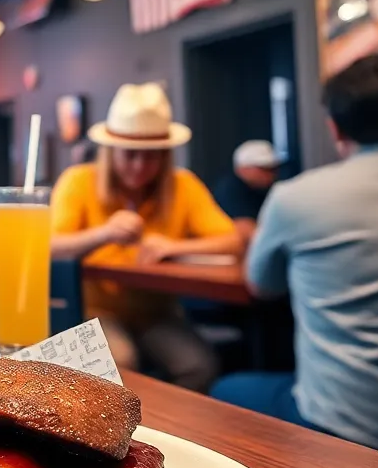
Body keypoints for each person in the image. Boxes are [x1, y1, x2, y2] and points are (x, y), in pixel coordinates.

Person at [212, 53, 378, 455]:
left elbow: (261, 285)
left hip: (345, 429)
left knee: (223, 388)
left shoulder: (296, 197)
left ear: (336, 129)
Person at [50, 83, 242, 392]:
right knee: (121, 363)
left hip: (159, 313)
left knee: (200, 366)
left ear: (165, 157)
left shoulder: (183, 184)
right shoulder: (78, 180)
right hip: (92, 312)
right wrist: (104, 233)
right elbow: (49, 247)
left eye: (151, 157)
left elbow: (232, 242)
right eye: (130, 155)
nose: (140, 166)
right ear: (110, 152)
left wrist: (174, 247)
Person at [212, 140, 282, 244]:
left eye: (273, 169)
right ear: (243, 168)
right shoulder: (230, 190)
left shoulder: (267, 189)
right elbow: (246, 231)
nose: (270, 174)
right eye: (263, 168)